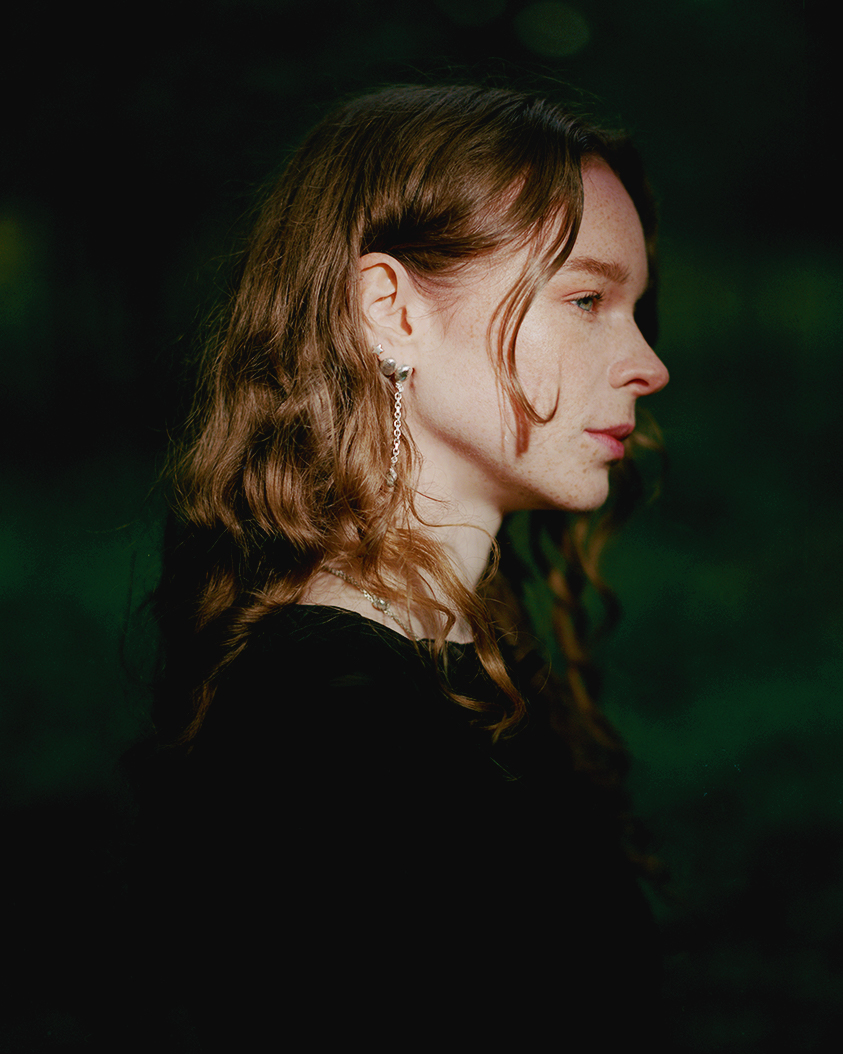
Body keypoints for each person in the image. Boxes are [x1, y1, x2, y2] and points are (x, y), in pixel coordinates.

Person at [131, 83, 671, 1047]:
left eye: (632, 308)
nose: (647, 364)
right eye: (587, 300)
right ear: (389, 310)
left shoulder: (469, 664)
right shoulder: (332, 729)